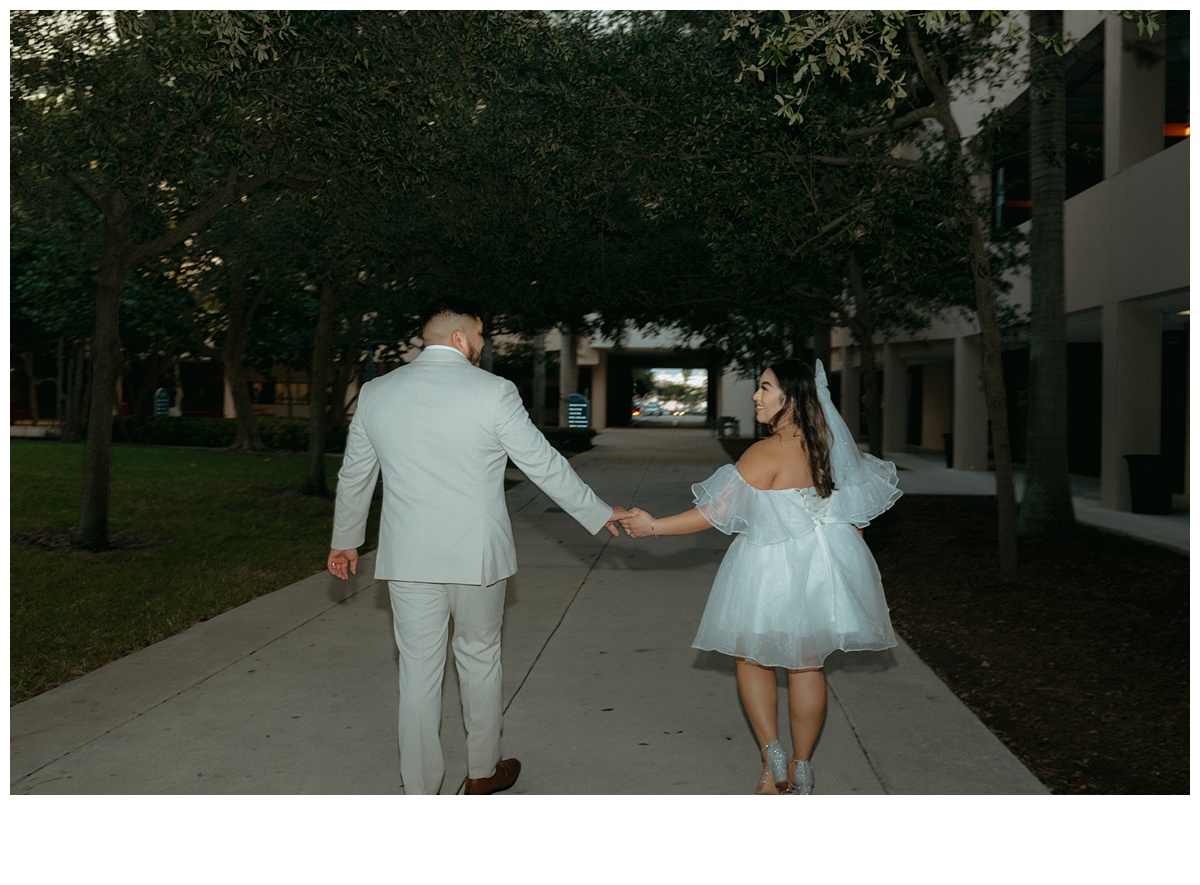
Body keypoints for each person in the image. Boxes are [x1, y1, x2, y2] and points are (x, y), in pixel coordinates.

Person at [327, 297, 627, 795]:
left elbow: (355, 473)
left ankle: (420, 789)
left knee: (418, 674)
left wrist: (345, 541)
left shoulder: (378, 392)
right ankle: (483, 772)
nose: (484, 346)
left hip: (408, 558)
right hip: (476, 557)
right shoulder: (493, 392)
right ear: (461, 339)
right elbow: (542, 463)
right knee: (480, 655)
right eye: (482, 336)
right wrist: (599, 512)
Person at [619, 358, 900, 794]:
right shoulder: (829, 446)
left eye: (765, 388)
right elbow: (857, 522)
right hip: (822, 569)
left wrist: (653, 526)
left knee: (753, 657)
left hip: (771, 569)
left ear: (791, 398)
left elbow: (714, 513)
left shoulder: (766, 452)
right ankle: (803, 772)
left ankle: (774, 764)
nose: (756, 396)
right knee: (808, 664)